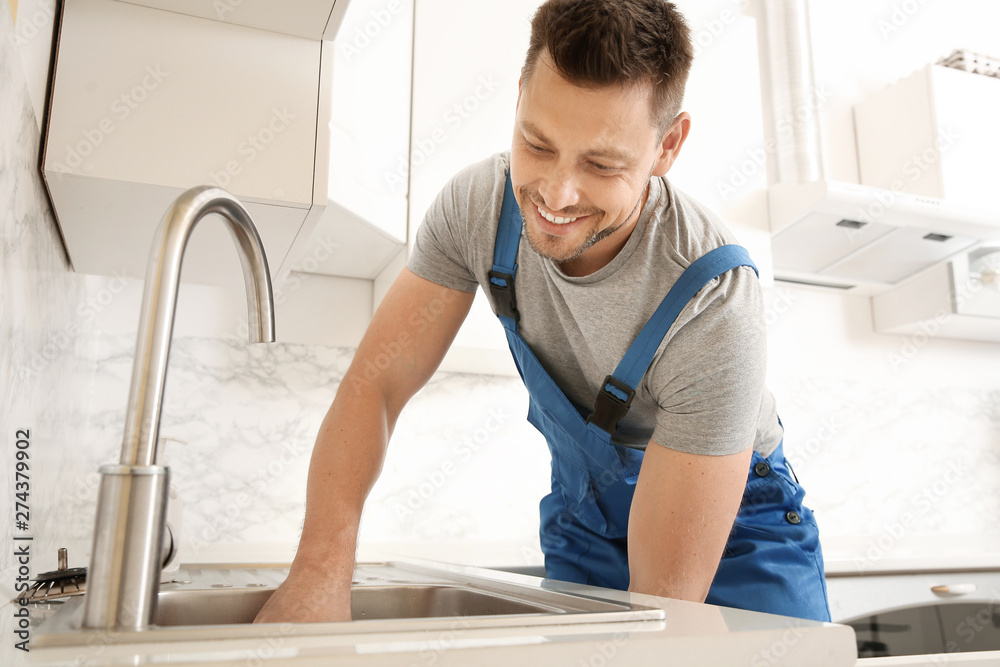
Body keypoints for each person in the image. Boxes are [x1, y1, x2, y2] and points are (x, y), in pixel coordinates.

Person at [254, 0, 830, 624]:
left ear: (668, 146)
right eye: (537, 143)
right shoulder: (479, 209)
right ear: (522, 94)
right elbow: (377, 386)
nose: (556, 195)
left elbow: (660, 618)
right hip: (585, 513)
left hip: (742, 532)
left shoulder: (713, 302)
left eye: (601, 165)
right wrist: (320, 570)